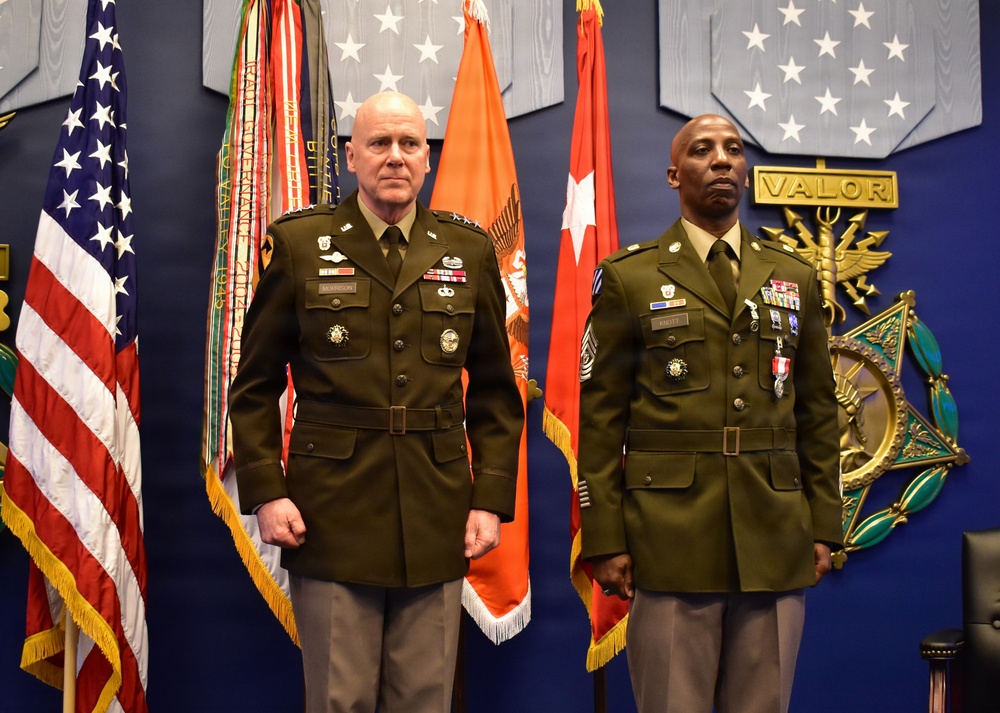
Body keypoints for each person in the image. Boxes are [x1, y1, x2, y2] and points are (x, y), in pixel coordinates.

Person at [229, 91, 524, 713]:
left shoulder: (467, 251)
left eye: (410, 144)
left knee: (424, 701)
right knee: (340, 700)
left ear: (428, 159)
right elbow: (253, 384)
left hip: (436, 509)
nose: (396, 157)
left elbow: (497, 392)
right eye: (380, 144)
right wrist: (267, 490)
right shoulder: (301, 245)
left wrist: (490, 500)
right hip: (331, 510)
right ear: (351, 156)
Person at [577, 114, 842, 713]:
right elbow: (599, 425)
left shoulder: (792, 275)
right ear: (675, 174)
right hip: (668, 538)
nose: (721, 160)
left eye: (733, 149)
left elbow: (820, 414)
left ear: (745, 171)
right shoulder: (630, 277)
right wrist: (604, 537)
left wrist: (825, 523)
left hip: (773, 534)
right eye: (702, 150)